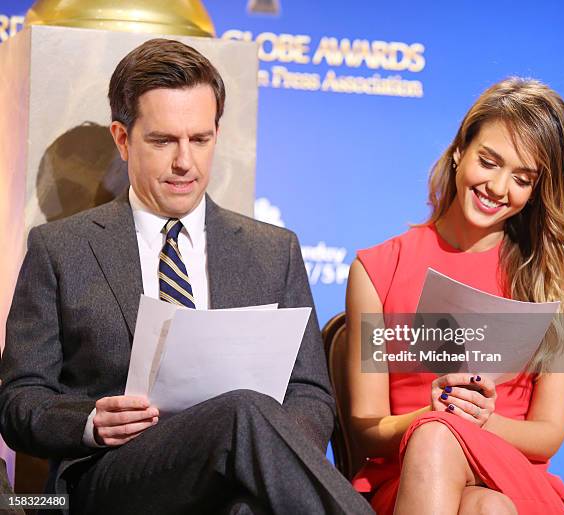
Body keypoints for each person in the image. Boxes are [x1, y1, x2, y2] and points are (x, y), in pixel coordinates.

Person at [0, 39, 373, 515]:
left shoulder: (273, 251)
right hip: (114, 476)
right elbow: (19, 399)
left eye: (200, 140)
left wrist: (265, 452)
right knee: (243, 409)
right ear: (122, 138)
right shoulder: (62, 249)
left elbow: (309, 393)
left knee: (245, 491)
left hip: (235, 474)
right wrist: (90, 421)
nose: (185, 162)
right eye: (163, 141)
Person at [345, 77, 564, 514]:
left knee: (465, 465)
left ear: (537, 191)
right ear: (460, 150)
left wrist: (478, 421)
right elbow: (365, 427)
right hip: (406, 477)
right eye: (489, 161)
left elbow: (549, 432)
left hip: (513, 472)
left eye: (522, 178)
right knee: (479, 498)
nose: (498, 188)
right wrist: (431, 416)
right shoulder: (377, 268)